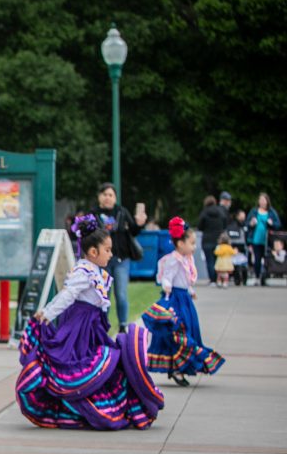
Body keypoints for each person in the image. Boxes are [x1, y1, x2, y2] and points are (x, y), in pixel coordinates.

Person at [17, 214, 164, 430]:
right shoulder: (83, 271)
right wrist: (48, 313)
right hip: (79, 327)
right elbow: (67, 296)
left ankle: (92, 403)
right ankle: (83, 407)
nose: (111, 254)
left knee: (103, 363)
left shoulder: (94, 271)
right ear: (93, 252)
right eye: (108, 250)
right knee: (85, 364)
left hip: (92, 325)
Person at [142, 217, 225, 386]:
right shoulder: (174, 259)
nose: (194, 247)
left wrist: (191, 290)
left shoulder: (186, 259)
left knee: (188, 330)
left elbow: (184, 280)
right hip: (175, 300)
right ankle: (177, 368)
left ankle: (179, 367)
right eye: (192, 243)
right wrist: (166, 285)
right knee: (180, 332)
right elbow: (168, 277)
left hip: (184, 298)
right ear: (180, 244)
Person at [90, 182, 147, 331]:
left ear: (115, 198)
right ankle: (103, 325)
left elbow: (133, 231)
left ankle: (123, 325)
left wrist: (140, 224)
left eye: (111, 195)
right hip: (102, 262)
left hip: (121, 260)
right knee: (103, 296)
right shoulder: (93, 214)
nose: (108, 198)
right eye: (105, 195)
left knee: (121, 294)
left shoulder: (121, 211)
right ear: (99, 197)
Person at [246, 192, 282, 285]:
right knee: (257, 259)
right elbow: (247, 224)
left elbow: (278, 225)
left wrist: (271, 223)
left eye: (264, 200)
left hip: (267, 240)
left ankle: (265, 277)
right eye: (260, 200)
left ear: (267, 201)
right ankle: (257, 277)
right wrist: (251, 223)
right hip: (255, 239)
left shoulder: (271, 212)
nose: (262, 202)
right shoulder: (254, 211)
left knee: (267, 259)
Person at [197, 193, 231, 283]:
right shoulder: (220, 212)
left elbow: (199, 226)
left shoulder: (204, 212)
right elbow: (225, 223)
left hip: (207, 239)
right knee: (217, 259)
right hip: (218, 239)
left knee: (209, 260)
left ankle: (212, 280)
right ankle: (218, 278)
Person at [225, 208, 249, 286]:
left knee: (243, 265)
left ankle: (244, 278)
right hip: (234, 247)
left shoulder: (245, 225)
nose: (243, 217)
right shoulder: (232, 226)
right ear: (237, 216)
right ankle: (237, 279)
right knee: (235, 264)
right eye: (242, 215)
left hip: (243, 247)